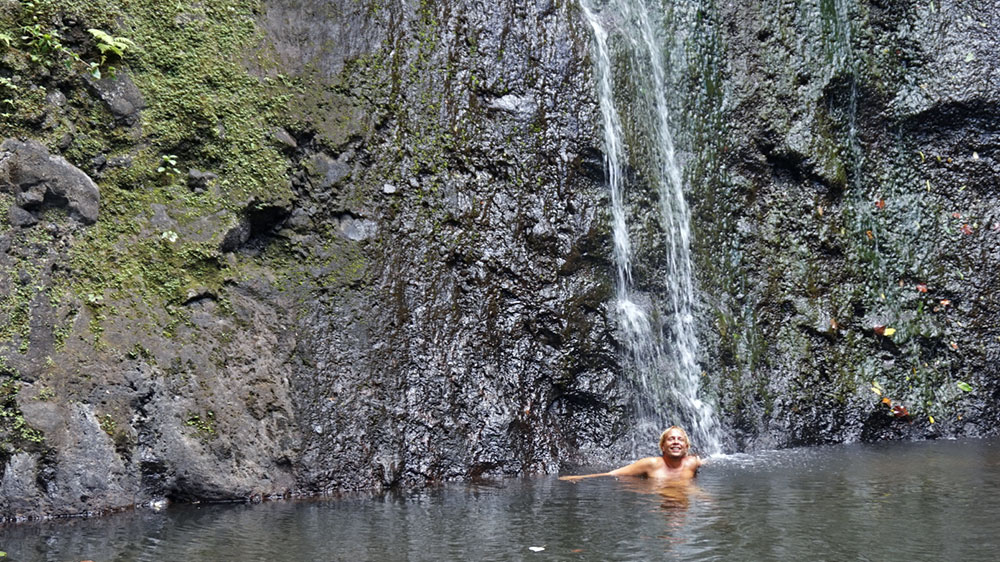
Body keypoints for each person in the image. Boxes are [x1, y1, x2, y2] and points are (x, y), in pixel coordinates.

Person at [559, 426, 704, 482]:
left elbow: (704, 462)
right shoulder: (650, 464)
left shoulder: (693, 462)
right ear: (663, 447)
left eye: (680, 440)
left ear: (686, 447)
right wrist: (579, 477)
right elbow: (614, 473)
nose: (676, 442)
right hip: (662, 502)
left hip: (688, 503)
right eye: (671, 439)